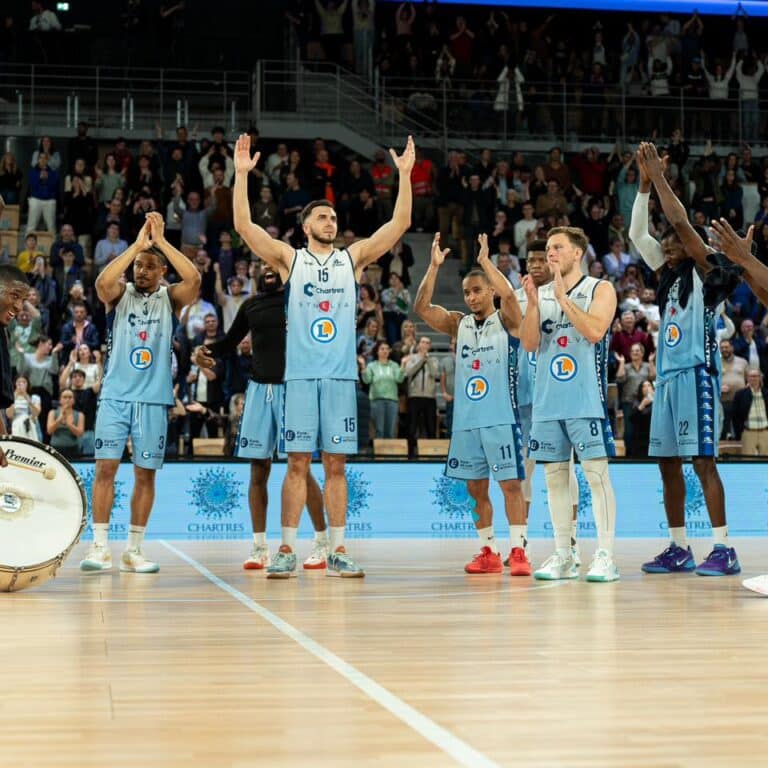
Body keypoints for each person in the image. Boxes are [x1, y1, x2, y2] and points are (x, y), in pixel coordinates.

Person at [232, 133, 415, 578]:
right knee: (297, 463)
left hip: (338, 379)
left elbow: (399, 225)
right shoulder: (289, 260)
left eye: (333, 216)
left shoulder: (351, 259)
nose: (330, 221)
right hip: (298, 378)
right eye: (322, 216)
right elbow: (245, 227)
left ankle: (337, 549)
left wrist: (405, 176)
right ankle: (288, 549)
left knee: (336, 465)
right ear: (305, 226)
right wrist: (241, 176)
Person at [631, 143, 738, 577]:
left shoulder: (706, 269)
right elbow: (640, 236)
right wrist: (641, 187)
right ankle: (679, 546)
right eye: (669, 244)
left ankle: (724, 547)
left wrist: (658, 177)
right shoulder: (669, 277)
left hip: (697, 375)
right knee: (667, 462)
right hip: (669, 379)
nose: (668, 246)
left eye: (676, 242)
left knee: (703, 462)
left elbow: (678, 222)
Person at [80, 212, 201, 574]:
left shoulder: (171, 299)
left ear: (162, 271)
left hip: (153, 398)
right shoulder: (119, 295)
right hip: (116, 397)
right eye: (138, 266)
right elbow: (103, 282)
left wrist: (160, 243)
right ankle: (100, 547)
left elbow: (193, 278)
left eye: (150, 267)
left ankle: (134, 549)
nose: (141, 271)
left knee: (145, 474)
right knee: (105, 469)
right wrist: (137, 245)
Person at [193, 266, 329, 571]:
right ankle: (259, 547)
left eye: (275, 264)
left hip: (294, 388)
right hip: (258, 391)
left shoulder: (300, 301)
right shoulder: (251, 305)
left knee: (301, 468)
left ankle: (323, 542)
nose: (268, 268)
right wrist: (204, 351)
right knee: (258, 469)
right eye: (263, 264)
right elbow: (229, 344)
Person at [416, 232, 528, 573]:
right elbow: (421, 307)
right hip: (466, 421)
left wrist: (484, 262)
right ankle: (488, 551)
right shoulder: (458, 323)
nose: (471, 297)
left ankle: (519, 552)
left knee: (510, 485)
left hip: (501, 417)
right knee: (475, 489)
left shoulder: (508, 320)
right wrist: (434, 267)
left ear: (490, 291)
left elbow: (509, 294)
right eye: (467, 292)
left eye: (477, 290)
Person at [520, 226, 620, 582]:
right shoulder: (539, 292)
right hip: (548, 402)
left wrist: (564, 300)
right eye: (548, 247)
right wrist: (534, 304)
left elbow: (594, 331)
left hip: (585, 399)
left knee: (595, 477)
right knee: (554, 479)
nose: (550, 253)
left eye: (557, 247)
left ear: (577, 253)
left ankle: (606, 555)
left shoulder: (600, 288)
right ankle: (564, 553)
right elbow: (530, 344)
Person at [515, 240, 580, 567]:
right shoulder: (517, 296)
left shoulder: (570, 292)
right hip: (526, 397)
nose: (536, 264)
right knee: (523, 472)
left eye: (542, 258)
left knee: (565, 471)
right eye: (531, 260)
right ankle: (521, 546)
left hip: (560, 394)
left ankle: (572, 542)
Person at [0, 266, 29, 465]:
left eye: (23, 300)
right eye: (15, 296)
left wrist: (3, 437)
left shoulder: (3, 332)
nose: (19, 306)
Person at [361, 341, 404, 439]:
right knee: (379, 430)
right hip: (377, 401)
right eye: (382, 349)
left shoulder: (394, 365)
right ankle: (379, 453)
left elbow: (399, 379)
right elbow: (366, 380)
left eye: (387, 349)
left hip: (392, 401)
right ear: (377, 351)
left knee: (391, 430)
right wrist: (363, 366)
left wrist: (403, 365)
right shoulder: (372, 365)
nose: (385, 351)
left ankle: (389, 453)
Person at [47, 389, 84, 460]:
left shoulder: (80, 415)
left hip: (73, 450)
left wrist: (69, 424)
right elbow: (49, 431)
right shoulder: (52, 413)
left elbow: (80, 433)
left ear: (74, 400)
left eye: (70, 397)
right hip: (56, 449)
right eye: (65, 397)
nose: (67, 399)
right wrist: (59, 419)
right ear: (60, 400)